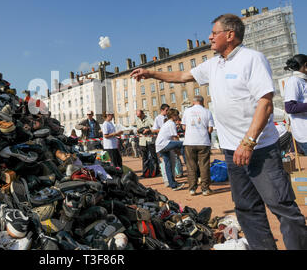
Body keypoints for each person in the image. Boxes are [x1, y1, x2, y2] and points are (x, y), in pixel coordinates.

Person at [130, 13, 307, 250]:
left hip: (260, 150)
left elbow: (265, 103)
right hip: (232, 151)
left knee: (283, 206)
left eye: (215, 33)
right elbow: (182, 75)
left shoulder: (252, 59)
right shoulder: (214, 64)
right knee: (247, 209)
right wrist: (151, 73)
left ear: (230, 35)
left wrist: (249, 142)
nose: (210, 37)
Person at [181, 95, 215, 196]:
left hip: (190, 141)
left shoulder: (187, 111)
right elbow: (210, 129)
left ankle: (192, 188)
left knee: (191, 166)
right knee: (204, 165)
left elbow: (183, 127)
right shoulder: (207, 112)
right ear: (202, 101)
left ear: (193, 101)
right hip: (203, 141)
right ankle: (205, 189)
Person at [154, 108, 185, 191]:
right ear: (173, 116)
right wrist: (180, 153)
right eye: (177, 115)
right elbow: (175, 138)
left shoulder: (167, 123)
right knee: (184, 144)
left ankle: (173, 184)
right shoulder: (171, 123)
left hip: (159, 145)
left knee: (168, 165)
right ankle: (187, 161)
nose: (178, 117)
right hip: (164, 144)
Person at [283, 54, 307, 155]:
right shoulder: (294, 81)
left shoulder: (302, 81)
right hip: (304, 133)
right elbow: (289, 107)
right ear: (306, 66)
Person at [136, 110, 160, 178]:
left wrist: (149, 129)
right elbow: (137, 129)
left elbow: (155, 127)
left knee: (153, 156)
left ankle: (156, 172)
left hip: (150, 140)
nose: (139, 118)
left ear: (143, 114)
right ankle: (145, 173)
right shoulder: (137, 120)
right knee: (144, 158)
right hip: (142, 141)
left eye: (140, 116)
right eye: (138, 116)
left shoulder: (149, 118)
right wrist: (138, 131)